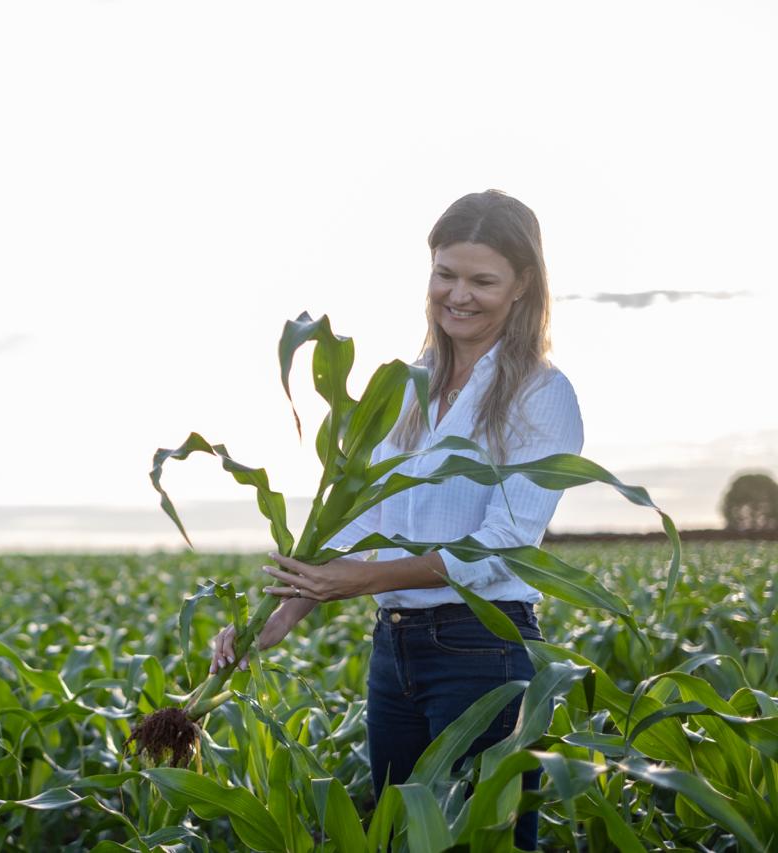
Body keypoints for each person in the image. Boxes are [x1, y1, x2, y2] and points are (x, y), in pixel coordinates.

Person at [208, 189, 583, 852]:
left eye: (482, 280)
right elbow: (360, 528)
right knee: (396, 839)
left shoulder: (541, 394)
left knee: (483, 842)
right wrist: (271, 623)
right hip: (395, 652)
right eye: (446, 273)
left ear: (523, 285)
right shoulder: (404, 388)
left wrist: (353, 584)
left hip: (483, 652)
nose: (458, 294)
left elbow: (501, 547)